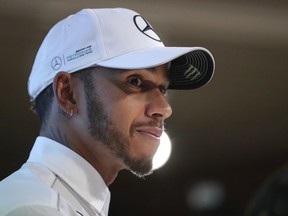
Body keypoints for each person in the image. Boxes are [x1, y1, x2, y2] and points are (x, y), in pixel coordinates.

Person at [0, 8, 215, 216]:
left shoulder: (58, 201)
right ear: (68, 94)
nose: (164, 109)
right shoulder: (34, 209)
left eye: (162, 89)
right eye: (135, 82)